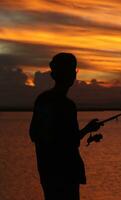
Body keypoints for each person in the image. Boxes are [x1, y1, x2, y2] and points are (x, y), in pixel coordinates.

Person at [29, 53, 102, 200]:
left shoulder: (42, 100)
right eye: (73, 70)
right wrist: (87, 130)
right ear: (71, 75)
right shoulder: (67, 105)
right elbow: (72, 141)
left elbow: (33, 134)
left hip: (47, 172)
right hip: (66, 172)